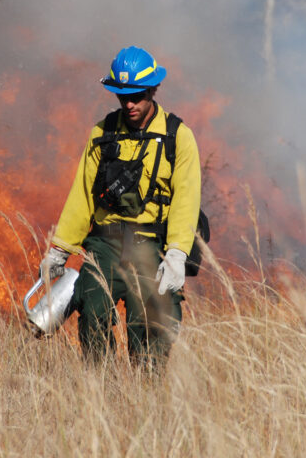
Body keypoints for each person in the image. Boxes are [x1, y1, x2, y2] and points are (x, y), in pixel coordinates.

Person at [37, 45, 202, 369]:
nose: (129, 104)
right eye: (121, 96)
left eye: (137, 96)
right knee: (92, 308)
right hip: (105, 244)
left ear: (153, 90)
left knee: (151, 322)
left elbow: (186, 200)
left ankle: (146, 396)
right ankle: (102, 394)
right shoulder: (102, 133)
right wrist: (59, 250)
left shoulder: (177, 137)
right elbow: (82, 195)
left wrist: (177, 253)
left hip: (152, 244)